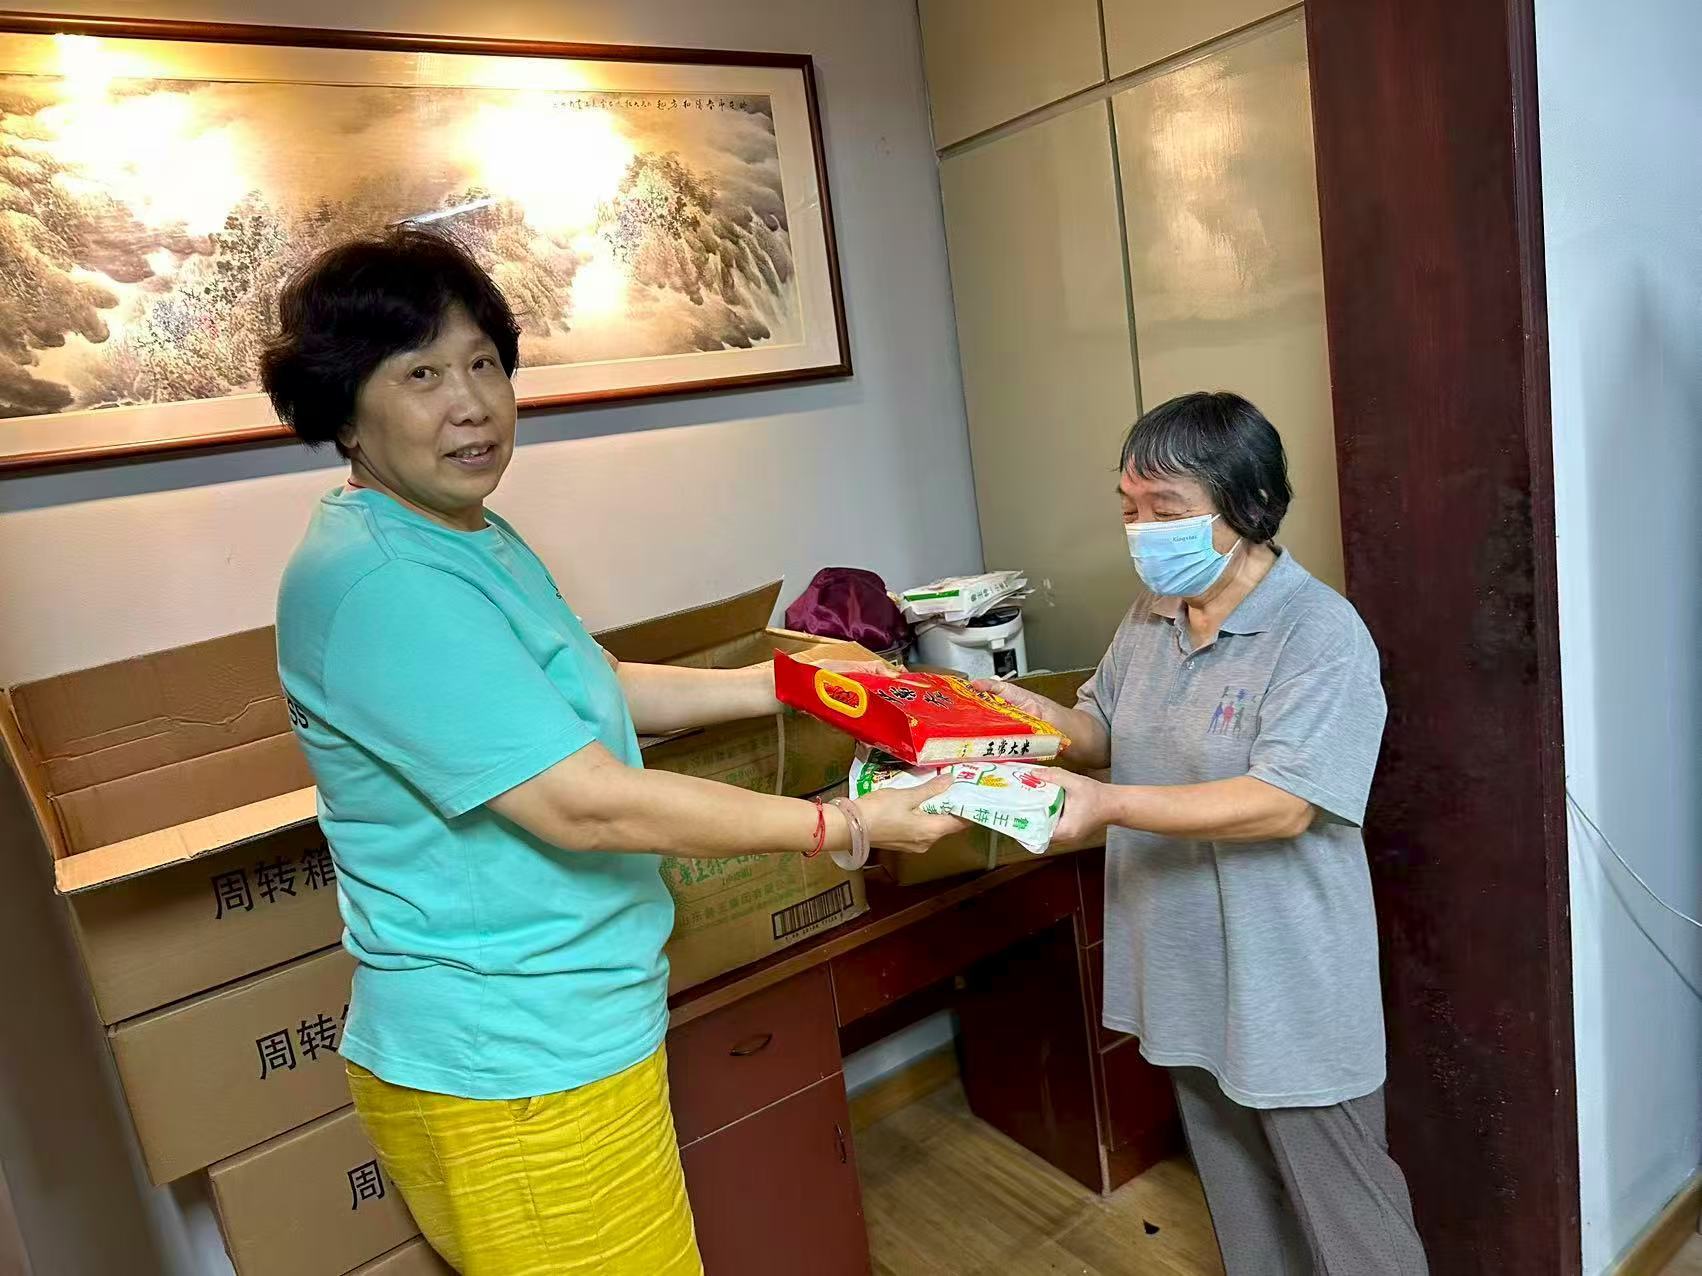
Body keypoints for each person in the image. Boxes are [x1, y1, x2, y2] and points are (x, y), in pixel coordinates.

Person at [263, 227, 964, 1276]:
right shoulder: (383, 582)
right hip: (516, 1060)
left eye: (484, 363)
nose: (472, 403)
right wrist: (848, 825)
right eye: (421, 374)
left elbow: (591, 684)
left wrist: (791, 680)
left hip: (567, 1025)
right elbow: (582, 801)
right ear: (344, 409)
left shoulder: (462, 532)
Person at [988, 392, 1428, 1275]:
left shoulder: (1319, 632)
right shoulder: (1153, 613)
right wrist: (1011, 712)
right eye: (1129, 508)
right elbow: (1101, 731)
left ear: (1248, 506)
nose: (1142, 532)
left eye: (1167, 510)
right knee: (1239, 1192)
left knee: (1351, 1217)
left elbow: (1284, 802)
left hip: (1287, 975)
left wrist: (1108, 806)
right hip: (1181, 958)